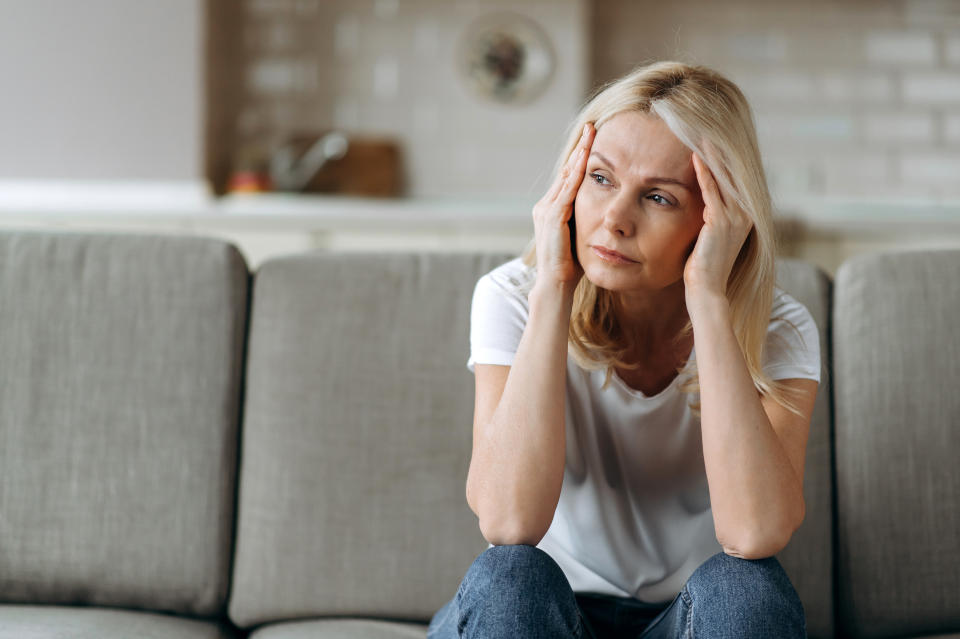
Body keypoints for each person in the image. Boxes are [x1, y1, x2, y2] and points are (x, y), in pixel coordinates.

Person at [427, 61, 820, 639]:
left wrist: (708, 299)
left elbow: (755, 534)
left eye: (659, 197)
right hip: (542, 619)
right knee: (509, 577)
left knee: (746, 590)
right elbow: (507, 523)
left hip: (685, 622)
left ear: (719, 218)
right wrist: (555, 288)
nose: (614, 220)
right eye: (601, 178)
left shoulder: (778, 328)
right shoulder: (512, 297)